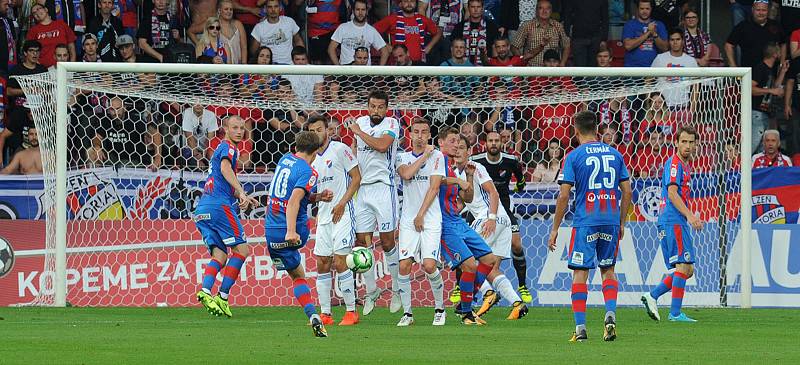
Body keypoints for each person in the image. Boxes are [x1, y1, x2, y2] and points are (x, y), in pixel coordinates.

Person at [549, 110, 633, 342]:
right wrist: (622, 221)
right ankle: (610, 315)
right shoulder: (615, 154)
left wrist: (555, 228)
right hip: (610, 220)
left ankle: (580, 329)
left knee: (580, 273)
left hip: (586, 221)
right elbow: (627, 191)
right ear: (597, 129)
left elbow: (564, 196)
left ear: (576, 131)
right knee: (608, 270)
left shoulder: (574, 157)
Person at [264, 130, 331, 337]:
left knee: (297, 275)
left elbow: (289, 195)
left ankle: (313, 315)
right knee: (300, 274)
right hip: (292, 231)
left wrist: (317, 197)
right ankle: (314, 315)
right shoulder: (309, 172)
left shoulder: (285, 159)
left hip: (271, 233)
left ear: (296, 146)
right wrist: (292, 231)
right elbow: (293, 201)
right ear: (317, 150)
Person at [454, 135, 528, 320]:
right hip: (499, 221)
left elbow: (493, 192)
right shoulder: (456, 173)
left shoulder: (476, 167)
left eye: (462, 147)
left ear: (468, 151)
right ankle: (517, 304)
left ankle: (487, 294)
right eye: (455, 147)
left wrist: (492, 218)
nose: (457, 151)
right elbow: (465, 203)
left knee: (467, 259)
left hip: (490, 219)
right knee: (490, 267)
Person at [194, 115, 260, 317]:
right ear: (226, 129)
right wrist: (240, 191)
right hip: (218, 207)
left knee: (220, 256)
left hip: (202, 210)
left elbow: (222, 178)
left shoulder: (223, 149)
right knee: (242, 250)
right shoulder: (229, 148)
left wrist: (244, 195)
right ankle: (222, 296)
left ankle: (205, 291)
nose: (239, 131)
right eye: (235, 127)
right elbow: (225, 168)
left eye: (242, 128)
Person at [641, 126, 703, 323]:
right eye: (683, 141)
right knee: (683, 266)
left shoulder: (685, 164)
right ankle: (675, 314)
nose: (687, 146)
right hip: (673, 220)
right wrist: (690, 215)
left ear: (695, 144)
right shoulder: (675, 164)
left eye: (691, 142)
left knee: (687, 269)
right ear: (676, 142)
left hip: (674, 221)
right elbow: (672, 193)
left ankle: (652, 296)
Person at [348, 90, 401, 316]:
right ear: (367, 106)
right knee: (362, 242)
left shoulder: (391, 123)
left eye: (380, 107)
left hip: (384, 188)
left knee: (387, 241)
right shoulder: (360, 122)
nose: (375, 111)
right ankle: (372, 291)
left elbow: (382, 146)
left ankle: (397, 290)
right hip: (363, 190)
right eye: (372, 106)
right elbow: (354, 148)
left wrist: (358, 132)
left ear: (386, 108)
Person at [306, 115, 362, 327]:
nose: (317, 133)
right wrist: (319, 199)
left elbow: (357, 178)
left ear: (327, 130)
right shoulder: (310, 160)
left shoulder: (340, 149)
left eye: (320, 129)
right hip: (324, 216)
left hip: (343, 213)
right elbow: (308, 193)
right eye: (313, 131)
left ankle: (350, 312)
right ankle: (326, 314)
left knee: (340, 261)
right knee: (322, 263)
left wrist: (341, 203)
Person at [437, 127, 495, 325]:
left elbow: (467, 198)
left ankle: (464, 302)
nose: (456, 146)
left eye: (459, 143)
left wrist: (468, 178)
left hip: (457, 220)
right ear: (441, 143)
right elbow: (435, 181)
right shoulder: (436, 160)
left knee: (489, 258)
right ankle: (467, 313)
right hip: (444, 223)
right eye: (453, 141)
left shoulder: (452, 167)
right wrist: (459, 180)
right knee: (469, 265)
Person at [394, 117, 447, 326]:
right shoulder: (402, 157)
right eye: (416, 131)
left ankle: (440, 309)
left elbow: (434, 188)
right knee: (404, 265)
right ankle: (407, 313)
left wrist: (421, 215)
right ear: (410, 134)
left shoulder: (438, 157)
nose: (420, 136)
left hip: (430, 218)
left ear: (429, 134)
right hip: (408, 218)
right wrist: (424, 154)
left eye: (424, 132)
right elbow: (406, 174)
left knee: (428, 264)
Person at [374, 0, 441, 64]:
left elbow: (438, 32)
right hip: (398, 62)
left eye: (412, 1)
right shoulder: (392, 18)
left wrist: (429, 46)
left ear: (416, 3)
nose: (409, 4)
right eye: (405, 1)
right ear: (401, 3)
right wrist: (385, 45)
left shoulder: (422, 19)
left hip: (418, 63)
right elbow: (372, 30)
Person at [751, 42, 789, 153]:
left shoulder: (769, 69)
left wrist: (783, 71)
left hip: (764, 114)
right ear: (775, 54)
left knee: (761, 149)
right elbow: (750, 88)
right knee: (752, 146)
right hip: (756, 113)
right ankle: (740, 169)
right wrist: (771, 90)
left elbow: (774, 88)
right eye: (779, 51)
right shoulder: (760, 68)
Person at [725, 0, 784, 69]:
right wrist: (733, 66)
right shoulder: (743, 26)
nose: (761, 13)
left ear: (768, 10)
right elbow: (728, 45)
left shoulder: (775, 25)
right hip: (749, 72)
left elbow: (783, 43)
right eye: (758, 10)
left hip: (770, 73)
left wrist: (781, 64)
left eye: (764, 10)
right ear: (752, 10)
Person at [328, 0, 389, 66]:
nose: (360, 13)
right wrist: (338, 68)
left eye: (363, 10)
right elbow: (331, 49)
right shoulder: (343, 27)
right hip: (346, 72)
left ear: (367, 11)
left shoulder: (371, 30)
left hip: (365, 72)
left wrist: (379, 73)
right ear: (353, 11)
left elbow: (385, 52)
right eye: (358, 9)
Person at [651, 28, 699, 111]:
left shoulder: (691, 61)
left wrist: (692, 109)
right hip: (663, 108)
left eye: (678, 39)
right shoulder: (660, 58)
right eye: (672, 40)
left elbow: (696, 86)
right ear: (669, 42)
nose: (675, 42)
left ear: (683, 41)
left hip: (683, 107)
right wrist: (649, 105)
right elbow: (648, 80)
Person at [511, 0, 571, 67]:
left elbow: (566, 46)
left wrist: (562, 63)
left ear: (551, 11)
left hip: (553, 70)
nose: (544, 11)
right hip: (532, 71)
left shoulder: (558, 26)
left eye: (548, 8)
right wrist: (522, 61)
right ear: (536, 11)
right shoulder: (527, 26)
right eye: (541, 8)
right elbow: (514, 47)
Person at [250, 0, 304, 65]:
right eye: (270, 7)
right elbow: (254, 51)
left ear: (280, 8)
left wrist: (303, 58)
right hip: (269, 66)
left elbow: (298, 41)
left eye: (276, 6)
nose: (273, 10)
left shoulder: (289, 22)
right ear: (265, 9)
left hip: (289, 65)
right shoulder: (259, 27)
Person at [451, 0, 500, 66]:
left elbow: (496, 48)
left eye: (478, 7)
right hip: (463, 68)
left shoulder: (491, 26)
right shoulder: (460, 27)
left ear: (482, 8)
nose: (476, 10)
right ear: (468, 8)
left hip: (486, 68)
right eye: (473, 7)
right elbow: (453, 48)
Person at [27, 3, 77, 68]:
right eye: (34, 13)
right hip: (43, 69)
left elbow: (71, 47)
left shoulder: (62, 24)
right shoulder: (33, 30)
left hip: (64, 67)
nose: (37, 13)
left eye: (38, 9)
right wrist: (38, 67)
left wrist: (71, 66)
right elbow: (29, 51)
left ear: (46, 9)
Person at [562, 0, 609, 67]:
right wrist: (567, 36)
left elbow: (605, 19)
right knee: (579, 69)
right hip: (578, 38)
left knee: (593, 69)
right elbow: (567, 16)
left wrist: (604, 39)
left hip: (595, 38)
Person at [622, 0, 668, 67]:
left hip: (654, 68)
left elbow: (665, 48)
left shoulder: (659, 25)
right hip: (632, 69)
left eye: (647, 9)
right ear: (637, 9)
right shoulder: (629, 24)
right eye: (642, 8)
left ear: (651, 9)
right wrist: (648, 32)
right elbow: (628, 46)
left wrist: (654, 33)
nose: (644, 11)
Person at [217, 0, 248, 64]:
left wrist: (244, 66)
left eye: (231, 9)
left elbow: (244, 47)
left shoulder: (238, 24)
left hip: (238, 67)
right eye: (226, 9)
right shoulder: (214, 25)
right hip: (221, 67)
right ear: (219, 11)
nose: (229, 11)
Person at [0, 0, 17, 76]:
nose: (7, 7)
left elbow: (13, 41)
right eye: (5, 5)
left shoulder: (9, 21)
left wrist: (15, 59)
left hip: (11, 62)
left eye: (8, 5)